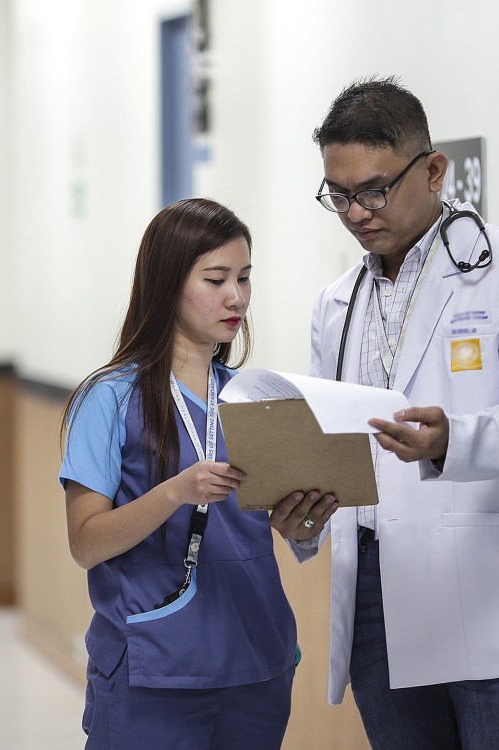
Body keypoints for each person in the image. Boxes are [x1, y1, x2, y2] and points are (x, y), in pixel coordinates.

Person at [296, 76, 499, 749]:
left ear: (433, 170)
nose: (355, 212)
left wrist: (452, 440)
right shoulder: (335, 304)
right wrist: (302, 509)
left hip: (490, 595)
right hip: (375, 594)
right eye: (338, 196)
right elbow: (330, 439)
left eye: (373, 189)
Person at [59, 198, 337, 749]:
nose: (236, 297)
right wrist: (176, 493)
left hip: (255, 664)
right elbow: (86, 544)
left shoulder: (254, 397)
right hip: (153, 669)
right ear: (166, 284)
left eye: (244, 278)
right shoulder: (110, 398)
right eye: (215, 279)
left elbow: (280, 532)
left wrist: (304, 523)